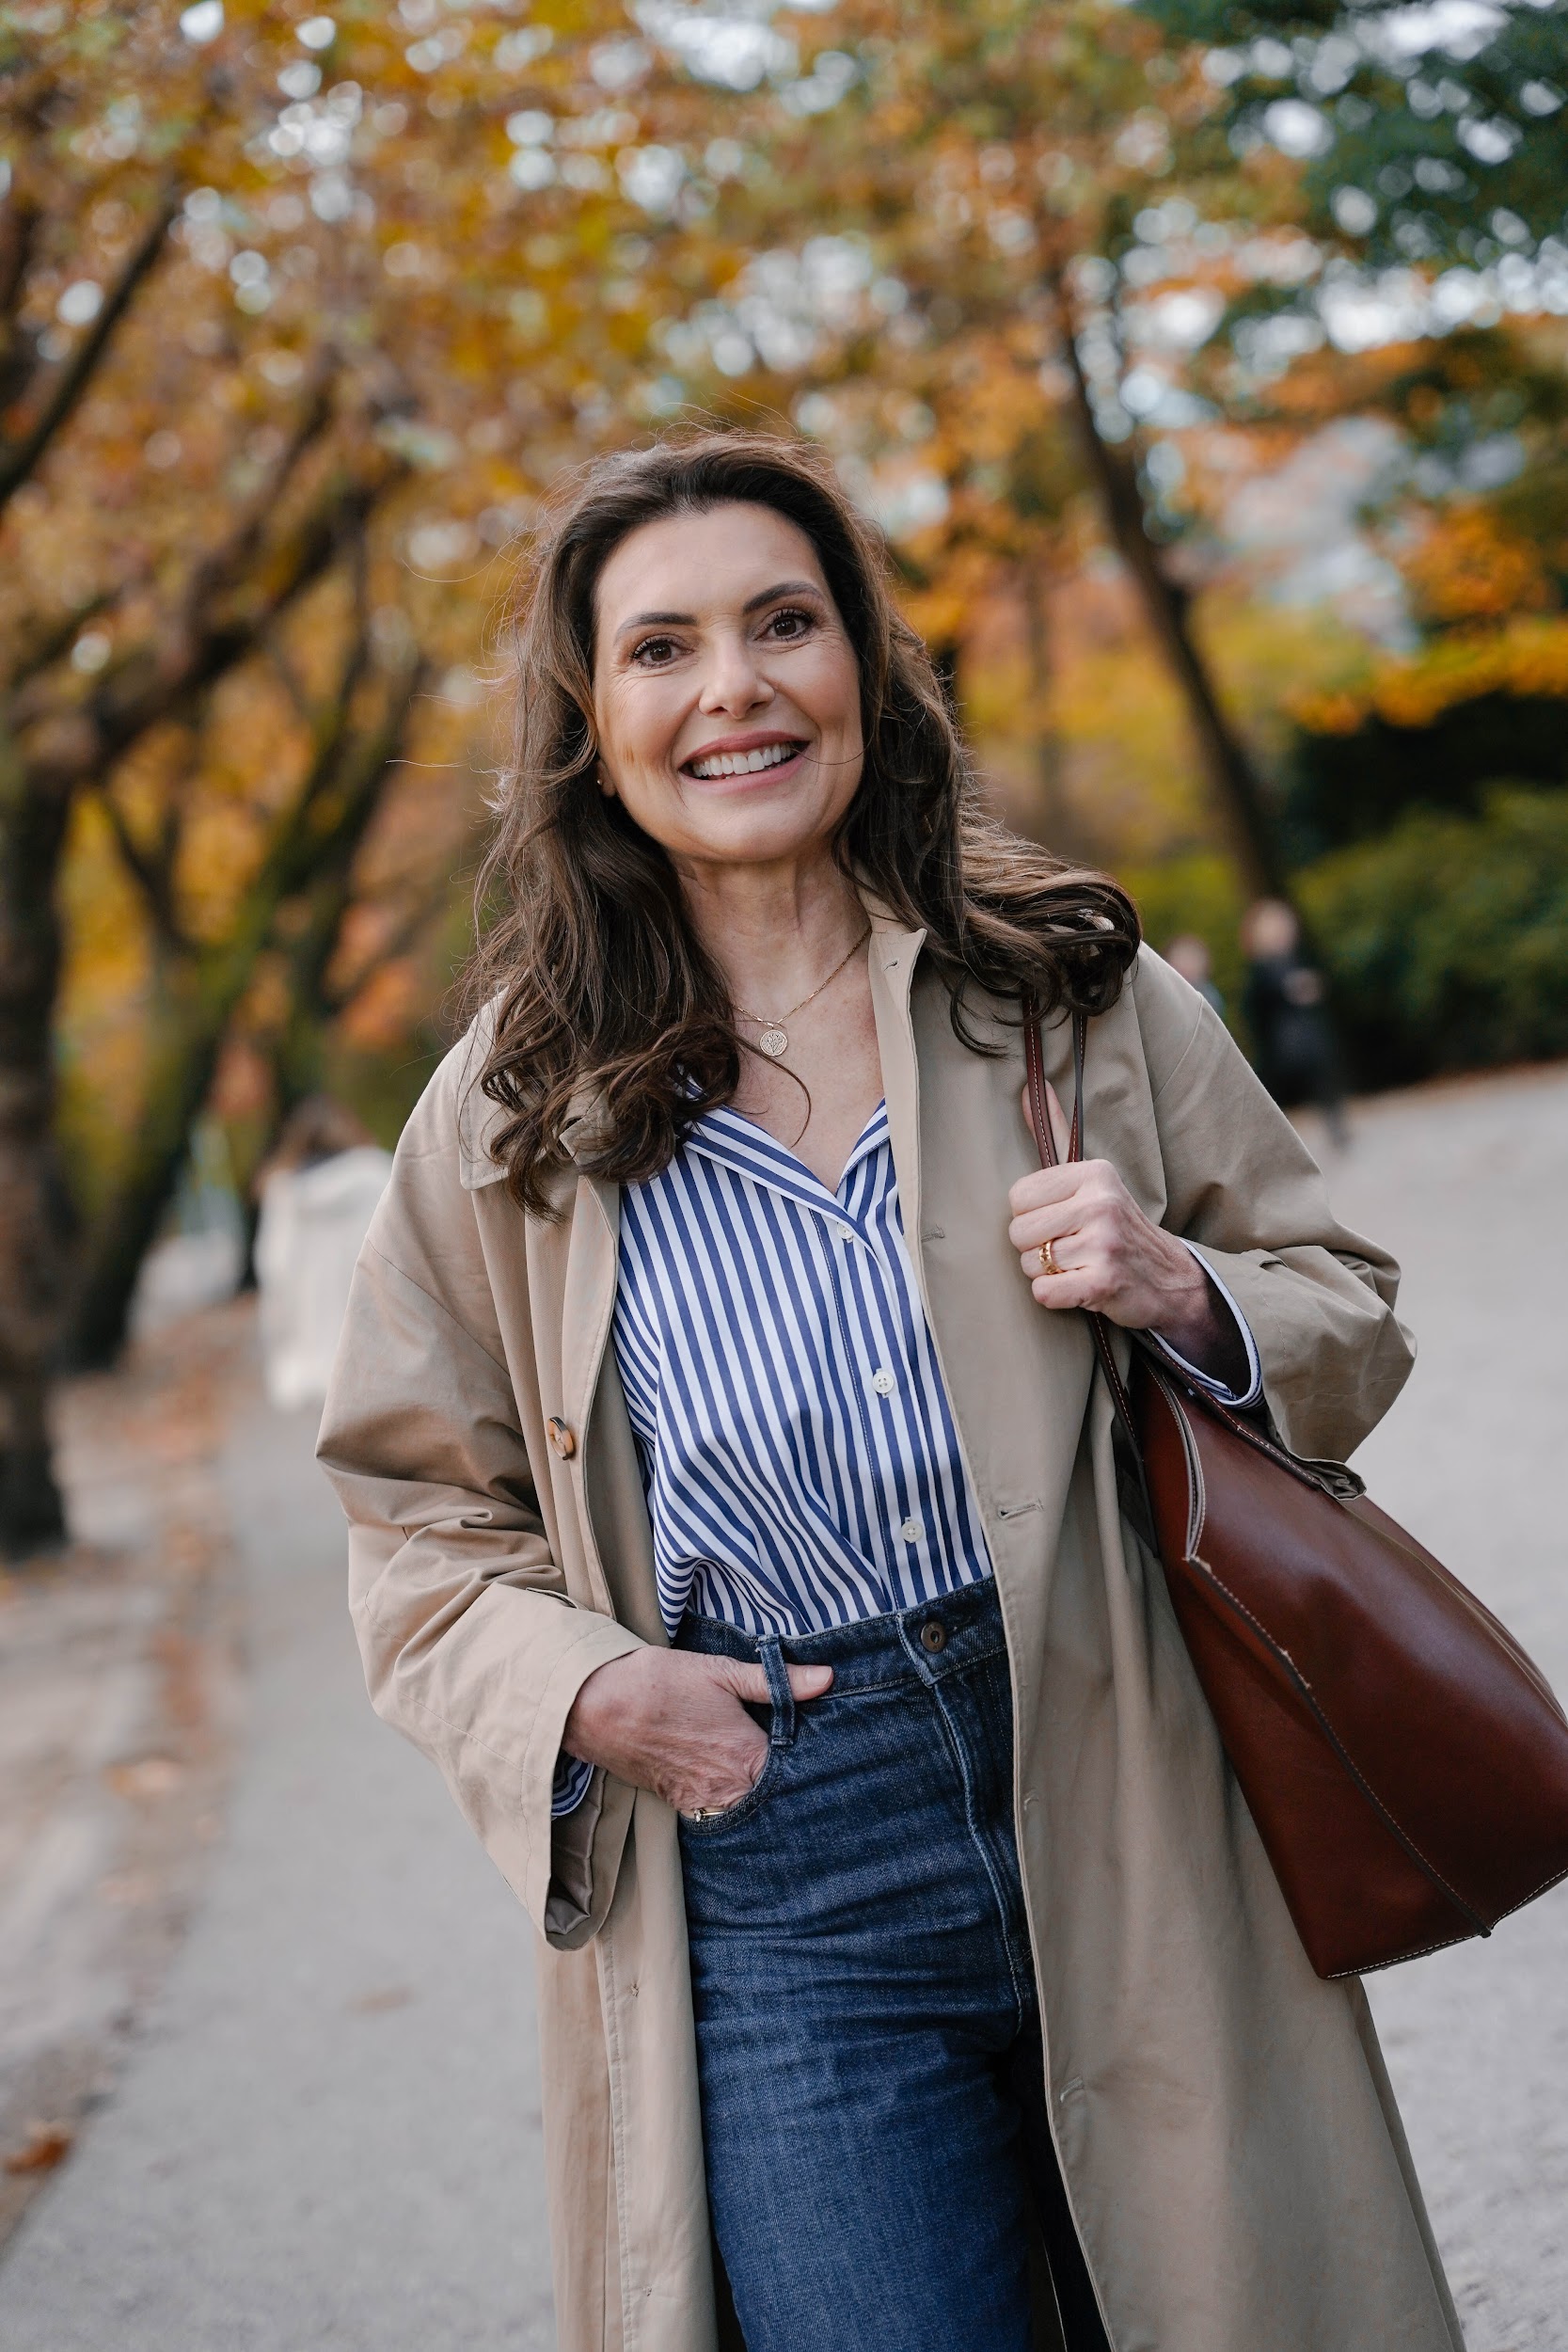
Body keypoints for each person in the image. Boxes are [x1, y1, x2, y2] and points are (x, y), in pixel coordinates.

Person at [317, 433, 1462, 2352]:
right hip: (782, 1858)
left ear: (862, 663)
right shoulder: (515, 1111)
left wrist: (1178, 1283)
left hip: (1127, 1770)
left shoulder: (1062, 985)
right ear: (593, 726)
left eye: (783, 622)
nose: (734, 688)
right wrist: (587, 1689)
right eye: (660, 649)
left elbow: (1339, 1303)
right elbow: (413, 1518)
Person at [253, 1096, 392, 1412]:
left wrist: (280, 1346)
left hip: (308, 1369)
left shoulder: (285, 1197)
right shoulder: (379, 1179)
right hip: (376, 1360)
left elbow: (274, 1271)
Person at [1241, 896, 1347, 1146]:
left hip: (1304, 1036)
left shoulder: (1295, 959)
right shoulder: (1261, 969)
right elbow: (1259, 1006)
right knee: (1275, 1090)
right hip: (1278, 1041)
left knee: (1321, 1075)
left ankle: (1334, 1124)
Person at [1163, 929, 1226, 1019]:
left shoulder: (1209, 996)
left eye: (1191, 960)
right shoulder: (1164, 988)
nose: (1186, 965)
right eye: (1181, 958)